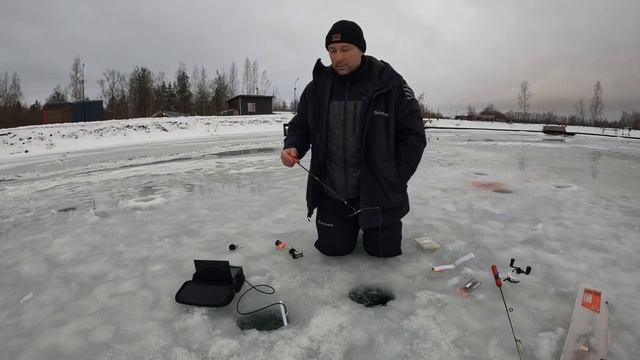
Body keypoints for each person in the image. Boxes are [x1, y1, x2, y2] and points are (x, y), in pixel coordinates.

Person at [281, 20, 426, 258]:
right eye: (332, 50)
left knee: (383, 254)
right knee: (333, 251)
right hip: (333, 194)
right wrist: (293, 146)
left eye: (345, 49)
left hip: (380, 195)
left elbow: (413, 136)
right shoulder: (317, 88)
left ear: (361, 49)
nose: (338, 57)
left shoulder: (390, 84)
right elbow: (302, 124)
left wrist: (395, 178)